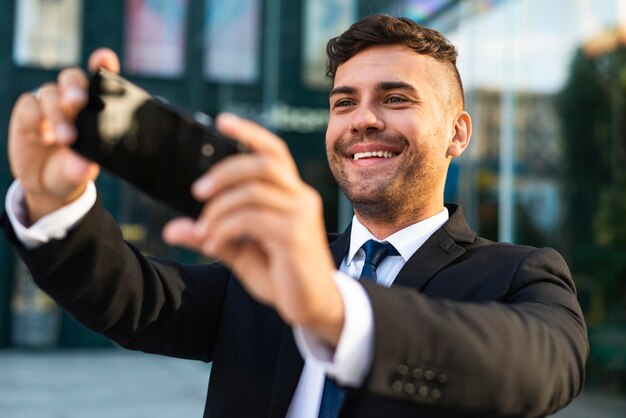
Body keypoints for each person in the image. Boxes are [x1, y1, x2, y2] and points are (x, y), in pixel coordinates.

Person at [2, 14, 587, 418]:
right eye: (343, 103)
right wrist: (55, 203)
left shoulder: (519, 273)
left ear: (458, 132)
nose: (362, 119)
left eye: (395, 98)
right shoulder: (266, 270)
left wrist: (330, 308)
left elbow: (537, 368)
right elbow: (136, 299)